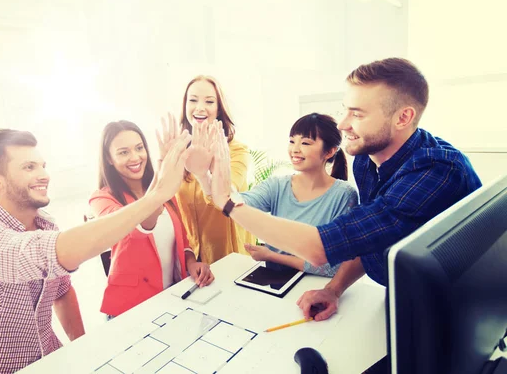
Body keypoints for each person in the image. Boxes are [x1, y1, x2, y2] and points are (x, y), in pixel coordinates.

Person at [209, 57, 482, 323]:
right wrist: (333, 289)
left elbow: (320, 249)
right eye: (345, 110)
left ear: (403, 117)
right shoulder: (366, 158)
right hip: (402, 293)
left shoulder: (437, 171)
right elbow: (367, 238)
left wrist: (228, 203)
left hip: (451, 310)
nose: (342, 124)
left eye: (357, 114)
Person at [0, 122, 191, 373]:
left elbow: (62, 292)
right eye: (29, 167)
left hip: (50, 359)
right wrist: (156, 195)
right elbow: (44, 254)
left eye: (42, 166)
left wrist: (83, 347)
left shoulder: (46, 225)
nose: (43, 175)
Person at [88, 119, 214, 318]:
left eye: (139, 148)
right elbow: (139, 229)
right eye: (123, 152)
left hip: (172, 295)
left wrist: (191, 262)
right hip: (132, 308)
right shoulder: (101, 199)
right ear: (109, 159)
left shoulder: (166, 190)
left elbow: (182, 239)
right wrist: (164, 166)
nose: (135, 157)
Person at [240, 113, 358, 276]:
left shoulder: (344, 195)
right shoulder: (277, 186)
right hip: (274, 280)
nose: (295, 149)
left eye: (305, 143)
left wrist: (272, 256)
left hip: (317, 286)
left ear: (330, 152)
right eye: (291, 141)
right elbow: (239, 203)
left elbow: (334, 267)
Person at [176, 75, 253, 264]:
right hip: (191, 259)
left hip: (230, 256)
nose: (200, 107)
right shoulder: (177, 151)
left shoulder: (236, 150)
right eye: (193, 100)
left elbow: (225, 197)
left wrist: (205, 172)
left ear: (219, 108)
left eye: (209, 101)